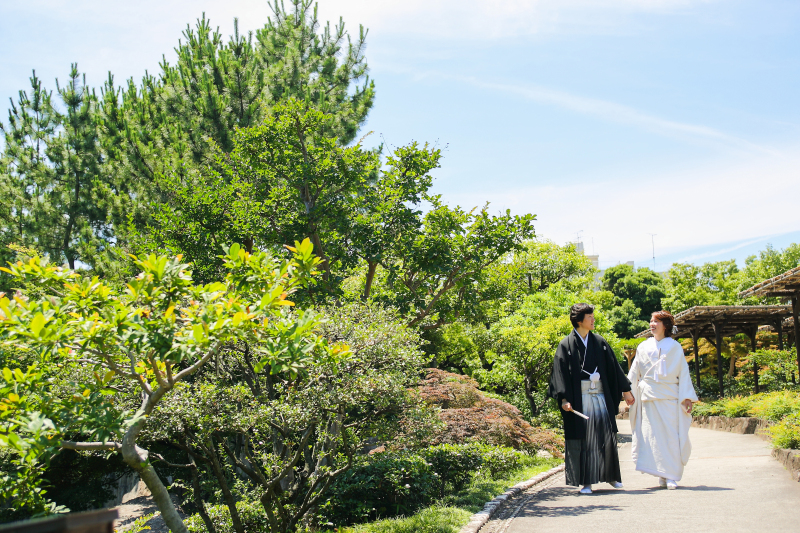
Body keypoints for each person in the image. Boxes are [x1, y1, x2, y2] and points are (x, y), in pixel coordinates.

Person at [547, 303, 635, 494]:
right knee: (585, 439)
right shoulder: (566, 345)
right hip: (579, 399)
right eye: (590, 317)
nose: (593, 319)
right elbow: (559, 373)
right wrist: (563, 399)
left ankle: (611, 476)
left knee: (605, 435)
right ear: (579, 321)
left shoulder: (599, 342)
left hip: (600, 396)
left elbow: (613, 368)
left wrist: (626, 390)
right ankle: (586, 481)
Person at [628, 310, 698, 490]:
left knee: (671, 437)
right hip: (648, 397)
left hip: (669, 397)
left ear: (665, 326)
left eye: (656, 321)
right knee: (651, 437)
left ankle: (672, 475)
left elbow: (683, 372)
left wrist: (687, 397)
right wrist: (627, 391)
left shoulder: (675, 347)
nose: (652, 324)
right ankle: (661, 473)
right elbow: (635, 371)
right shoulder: (643, 346)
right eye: (651, 321)